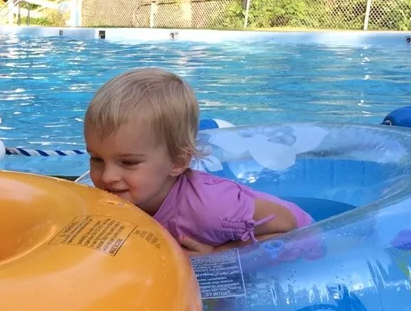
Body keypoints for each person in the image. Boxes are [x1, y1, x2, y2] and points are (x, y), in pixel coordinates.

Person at [83, 68, 314, 256]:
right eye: (97, 159)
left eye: (128, 162)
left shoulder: (211, 208)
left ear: (177, 162)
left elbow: (288, 225)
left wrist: (218, 254)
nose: (106, 177)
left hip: (307, 248)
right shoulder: (124, 194)